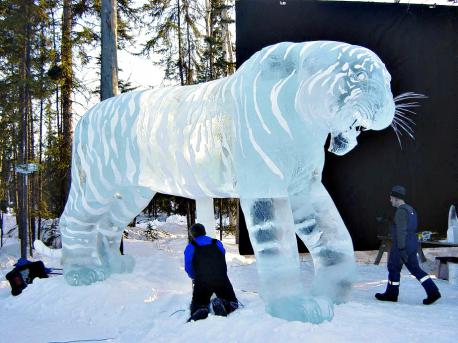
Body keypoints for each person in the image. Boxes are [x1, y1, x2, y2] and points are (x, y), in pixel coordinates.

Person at [375, 185, 441, 305]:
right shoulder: (411, 210)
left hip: (402, 244)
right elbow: (408, 226)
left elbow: (401, 232)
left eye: (391, 198)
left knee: (393, 268)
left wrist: (401, 249)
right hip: (412, 243)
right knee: (416, 269)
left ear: (396, 198)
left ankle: (391, 294)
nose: (390, 200)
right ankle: (433, 291)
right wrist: (389, 219)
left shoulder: (400, 212)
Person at [184, 223, 239, 321]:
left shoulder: (191, 247)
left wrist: (194, 277)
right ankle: (224, 304)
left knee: (198, 304)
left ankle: (201, 309)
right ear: (204, 232)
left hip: (202, 281)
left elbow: (188, 267)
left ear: (192, 234)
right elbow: (222, 256)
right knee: (232, 302)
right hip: (221, 279)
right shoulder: (216, 242)